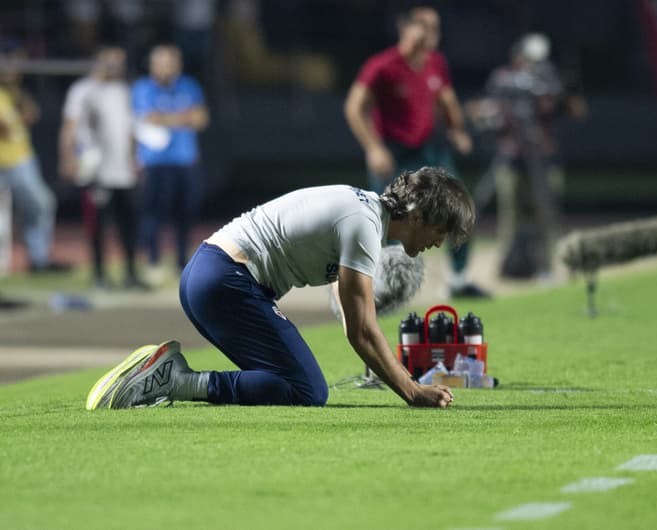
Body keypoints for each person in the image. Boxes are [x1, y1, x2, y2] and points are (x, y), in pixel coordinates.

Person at [86, 167, 468, 410]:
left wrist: (375, 352)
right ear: (418, 215)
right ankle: (175, 380)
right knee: (307, 390)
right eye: (442, 230)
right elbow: (362, 330)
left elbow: (349, 305)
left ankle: (172, 377)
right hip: (226, 281)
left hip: (209, 275)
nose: (441, 241)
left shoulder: (365, 211)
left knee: (289, 381)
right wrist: (412, 391)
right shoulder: (365, 224)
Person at [344, 6, 488, 299]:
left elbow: (446, 100)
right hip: (395, 154)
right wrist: (374, 148)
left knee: (460, 207)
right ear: (405, 27)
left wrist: (458, 129)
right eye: (424, 25)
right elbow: (354, 107)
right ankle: (385, 287)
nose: (432, 32)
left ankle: (458, 280)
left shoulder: (436, 63)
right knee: (387, 220)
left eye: (436, 26)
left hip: (430, 152)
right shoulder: (382, 65)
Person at [467, 33, 587, 279]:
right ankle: (507, 267)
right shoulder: (504, 79)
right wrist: (491, 115)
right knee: (509, 218)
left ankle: (546, 267)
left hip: (543, 157)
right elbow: (480, 110)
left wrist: (565, 92)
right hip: (510, 156)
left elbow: (578, 111)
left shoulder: (550, 81)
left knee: (546, 214)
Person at [59, 46, 146, 290]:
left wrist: (136, 158)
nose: (115, 67)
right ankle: (99, 274)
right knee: (97, 223)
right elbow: (70, 126)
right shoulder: (83, 90)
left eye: (120, 62)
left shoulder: (124, 90)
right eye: (110, 61)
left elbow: (131, 129)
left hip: (124, 168)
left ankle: (130, 272)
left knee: (129, 220)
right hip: (96, 167)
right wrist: (67, 157)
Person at [132, 44, 209, 283]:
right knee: (154, 213)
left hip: (185, 160)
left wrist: (167, 119)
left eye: (169, 62)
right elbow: (148, 118)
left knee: (186, 213)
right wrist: (183, 117)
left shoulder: (189, 85)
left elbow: (201, 119)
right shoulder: (142, 87)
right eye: (160, 62)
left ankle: (181, 262)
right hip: (155, 161)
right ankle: (153, 260)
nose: (164, 68)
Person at [0, 44, 70, 274]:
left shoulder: (14, 93)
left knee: (42, 204)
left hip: (21, 159)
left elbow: (32, 115)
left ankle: (39, 258)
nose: (14, 70)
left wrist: (14, 89)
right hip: (3, 162)